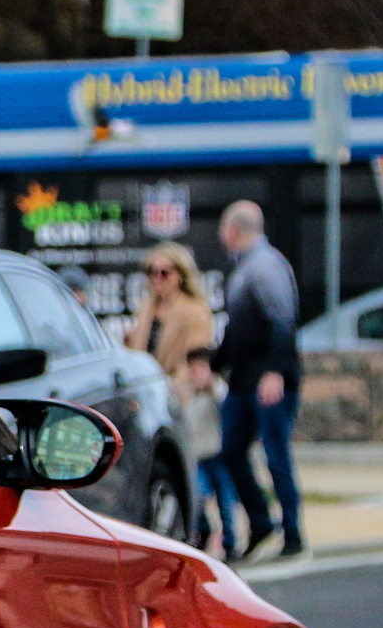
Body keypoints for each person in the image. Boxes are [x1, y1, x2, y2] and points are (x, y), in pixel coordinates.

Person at [211, 199, 304, 559]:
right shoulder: (244, 269)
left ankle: (294, 533)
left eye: (223, 229)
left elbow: (283, 322)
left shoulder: (265, 266)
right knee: (231, 451)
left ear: (233, 230)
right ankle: (261, 521)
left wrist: (275, 372)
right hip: (245, 380)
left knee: (275, 454)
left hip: (268, 381)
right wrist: (214, 365)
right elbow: (237, 331)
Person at [124, 238, 214, 393]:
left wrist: (172, 387)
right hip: (142, 390)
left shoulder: (195, 310)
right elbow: (135, 349)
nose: (157, 278)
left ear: (180, 275)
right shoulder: (146, 306)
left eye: (164, 273)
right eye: (152, 272)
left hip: (178, 392)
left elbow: (195, 359)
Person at [179, 345, 232, 559]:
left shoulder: (217, 390)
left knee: (225, 500)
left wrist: (211, 384)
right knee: (198, 494)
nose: (194, 374)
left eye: (199, 368)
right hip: (199, 457)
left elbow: (223, 404)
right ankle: (202, 530)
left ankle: (231, 539)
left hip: (218, 454)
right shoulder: (189, 396)